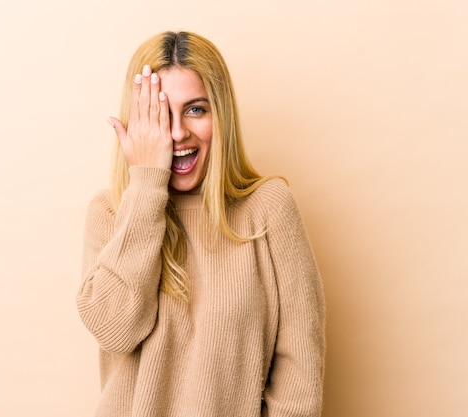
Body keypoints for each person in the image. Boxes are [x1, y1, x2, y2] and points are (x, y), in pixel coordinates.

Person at [76, 30, 326, 417]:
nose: (177, 133)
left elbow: (299, 377)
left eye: (196, 109)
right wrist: (145, 186)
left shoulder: (268, 208)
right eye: (160, 115)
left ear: (220, 114)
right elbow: (114, 329)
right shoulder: (110, 213)